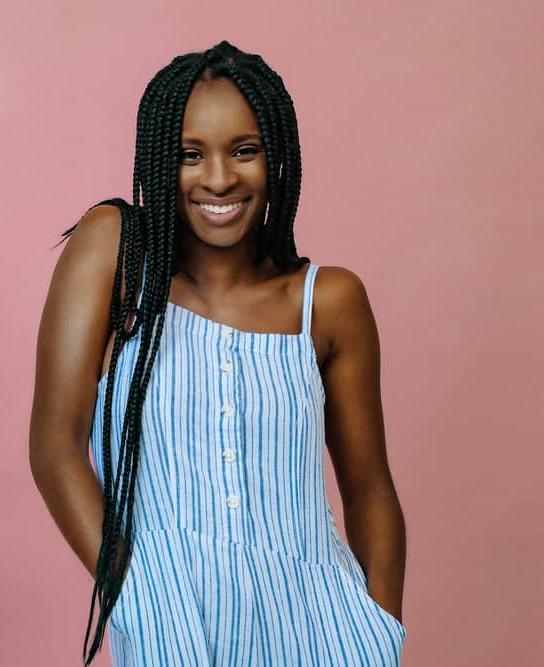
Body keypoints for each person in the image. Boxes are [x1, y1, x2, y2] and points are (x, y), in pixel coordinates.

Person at [29, 40, 407, 666]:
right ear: (158, 162)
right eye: (189, 155)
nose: (219, 179)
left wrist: (379, 631)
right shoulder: (117, 260)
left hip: (324, 635)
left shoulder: (329, 301)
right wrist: (142, 603)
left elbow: (370, 491)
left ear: (275, 157)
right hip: (172, 626)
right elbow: (55, 448)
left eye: (244, 150)